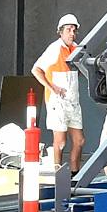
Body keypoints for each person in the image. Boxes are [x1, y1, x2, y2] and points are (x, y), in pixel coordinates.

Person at [32, 13, 87, 178]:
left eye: (74, 30)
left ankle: (74, 175)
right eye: (69, 30)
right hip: (57, 102)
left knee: (79, 140)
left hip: (73, 101)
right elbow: (36, 69)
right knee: (61, 142)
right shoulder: (54, 49)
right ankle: (58, 175)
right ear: (60, 32)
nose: (72, 33)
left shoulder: (76, 49)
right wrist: (52, 87)